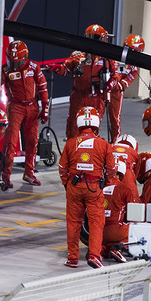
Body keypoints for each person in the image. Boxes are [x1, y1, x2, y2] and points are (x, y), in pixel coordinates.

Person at [59, 106, 116, 269]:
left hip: (74, 187)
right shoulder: (103, 144)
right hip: (94, 188)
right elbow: (111, 169)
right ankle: (94, 256)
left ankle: (72, 258)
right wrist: (107, 183)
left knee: (73, 222)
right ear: (96, 123)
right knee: (96, 222)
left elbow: (62, 168)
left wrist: (67, 185)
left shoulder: (70, 143)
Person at [52, 25, 117, 139]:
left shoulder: (108, 57)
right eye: (89, 36)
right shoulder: (77, 55)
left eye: (94, 37)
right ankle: (72, 151)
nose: (91, 40)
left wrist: (110, 83)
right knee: (73, 127)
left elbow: (116, 74)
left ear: (102, 39)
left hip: (97, 97)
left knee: (93, 127)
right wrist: (57, 69)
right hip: (78, 96)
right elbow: (65, 69)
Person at [1, 40, 49, 188]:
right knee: (10, 142)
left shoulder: (34, 67)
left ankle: (29, 173)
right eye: (11, 61)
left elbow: (43, 88)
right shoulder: (5, 70)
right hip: (15, 107)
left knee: (32, 141)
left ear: (25, 56)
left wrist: (45, 108)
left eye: (18, 61)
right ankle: (5, 176)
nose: (14, 65)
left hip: (33, 107)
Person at [106, 35, 144, 140]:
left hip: (116, 91)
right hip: (103, 88)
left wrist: (119, 85)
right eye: (128, 49)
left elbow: (130, 78)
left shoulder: (134, 66)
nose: (130, 52)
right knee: (97, 114)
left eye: (133, 51)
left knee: (114, 118)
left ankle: (115, 141)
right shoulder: (114, 55)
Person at [101, 161, 139, 263]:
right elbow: (134, 215)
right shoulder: (125, 189)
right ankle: (118, 248)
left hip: (98, 232)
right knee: (137, 225)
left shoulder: (98, 187)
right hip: (116, 230)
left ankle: (101, 249)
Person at [112, 134, 141, 200]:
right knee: (133, 202)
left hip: (110, 173)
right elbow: (136, 173)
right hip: (127, 174)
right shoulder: (134, 153)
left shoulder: (110, 146)